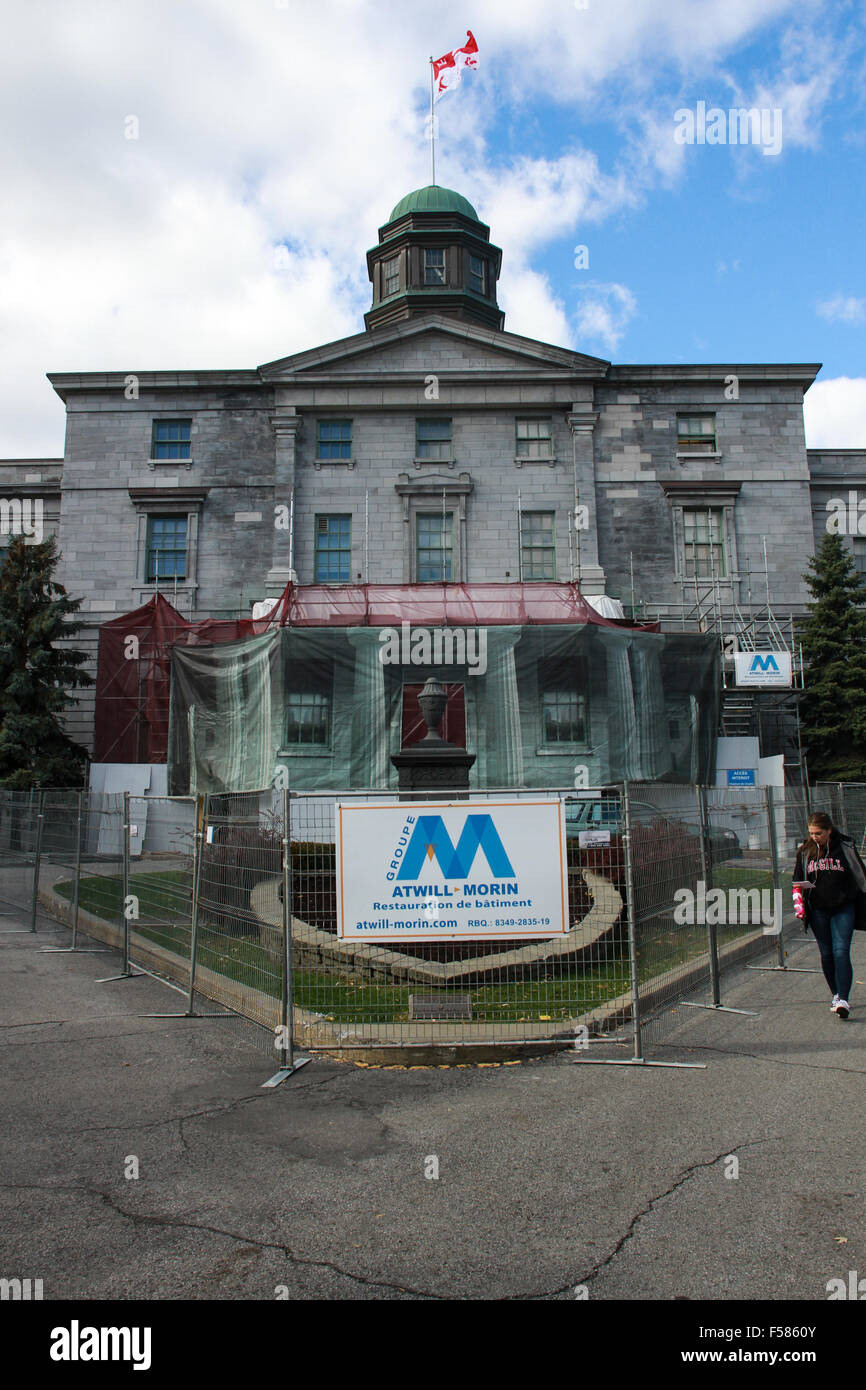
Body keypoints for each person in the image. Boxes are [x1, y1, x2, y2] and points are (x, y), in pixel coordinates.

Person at [793, 811, 865, 1019]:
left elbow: (859, 875)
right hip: (818, 910)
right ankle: (835, 994)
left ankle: (843, 999)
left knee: (841, 951)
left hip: (843, 908)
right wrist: (800, 903)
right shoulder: (805, 852)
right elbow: (797, 881)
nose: (815, 837)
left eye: (819, 833)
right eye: (811, 833)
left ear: (829, 830)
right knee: (827, 954)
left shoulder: (845, 847)